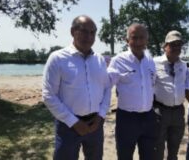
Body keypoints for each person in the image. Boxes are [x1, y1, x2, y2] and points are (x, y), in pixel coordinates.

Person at [42, 15, 112, 160]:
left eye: (93, 32)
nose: (89, 36)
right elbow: (49, 95)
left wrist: (101, 116)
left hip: (95, 125)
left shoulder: (99, 60)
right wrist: (73, 122)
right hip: (68, 126)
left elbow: (106, 89)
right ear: (73, 31)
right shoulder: (57, 58)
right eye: (84, 31)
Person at [108, 23, 157, 160]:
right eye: (134, 38)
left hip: (149, 117)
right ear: (127, 40)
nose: (138, 42)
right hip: (127, 119)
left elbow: (152, 85)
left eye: (142, 38)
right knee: (125, 156)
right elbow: (107, 88)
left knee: (149, 156)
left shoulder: (150, 61)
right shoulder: (118, 61)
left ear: (147, 40)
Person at [153, 31, 188, 160]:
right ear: (165, 46)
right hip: (160, 111)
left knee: (174, 149)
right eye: (172, 44)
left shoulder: (183, 65)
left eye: (179, 44)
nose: (176, 47)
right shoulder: (154, 63)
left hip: (178, 112)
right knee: (158, 148)